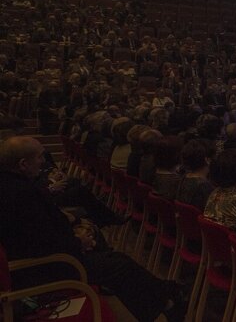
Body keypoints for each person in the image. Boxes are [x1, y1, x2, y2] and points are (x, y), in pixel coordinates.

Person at [0, 136, 186, 321]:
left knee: (112, 257)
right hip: (46, 267)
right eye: (40, 157)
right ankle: (168, 301)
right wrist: (78, 242)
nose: (43, 161)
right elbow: (39, 241)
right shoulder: (21, 195)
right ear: (23, 164)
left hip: (49, 257)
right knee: (120, 266)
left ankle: (166, 299)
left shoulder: (13, 186)